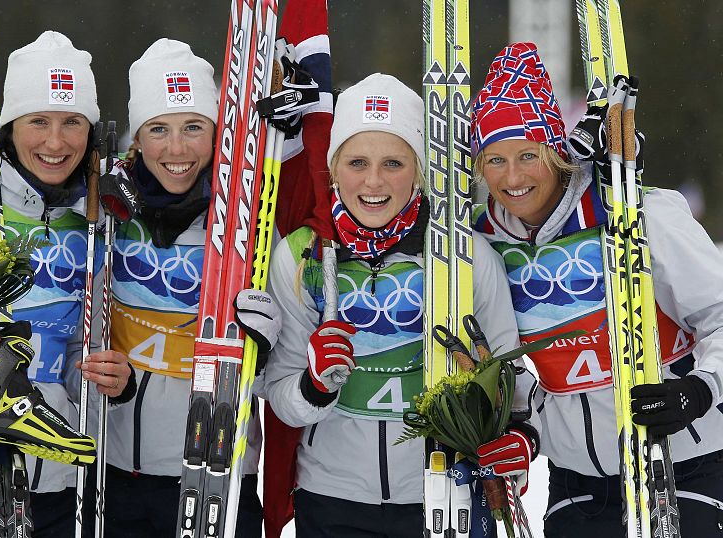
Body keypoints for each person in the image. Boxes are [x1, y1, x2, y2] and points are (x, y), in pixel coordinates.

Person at [471, 42, 723, 536]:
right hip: (578, 482)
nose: (513, 176)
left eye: (528, 154)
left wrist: (699, 390)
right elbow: (507, 365)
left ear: (555, 149)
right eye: (495, 159)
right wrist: (523, 431)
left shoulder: (637, 213)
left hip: (685, 458)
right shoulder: (483, 246)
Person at [261, 73, 526, 537]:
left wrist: (514, 446)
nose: (374, 181)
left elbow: (512, 381)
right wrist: (312, 387)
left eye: (394, 163)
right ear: (333, 167)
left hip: (443, 493)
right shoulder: (301, 255)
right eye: (357, 162)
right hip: (331, 496)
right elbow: (280, 397)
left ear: (419, 170)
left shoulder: (465, 256)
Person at [0, 31, 135, 537]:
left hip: (60, 483)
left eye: (71, 122)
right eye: (38, 121)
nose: (55, 142)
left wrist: (113, 380)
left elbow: (95, 346)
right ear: (10, 126)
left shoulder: (95, 223)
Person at [98, 38, 263, 538]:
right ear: (137, 137)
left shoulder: (249, 217)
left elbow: (284, 356)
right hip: (118, 465)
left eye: (194, 128)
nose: (176, 149)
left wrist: (266, 344)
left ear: (217, 133)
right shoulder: (108, 210)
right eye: (159, 130)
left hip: (218, 470)